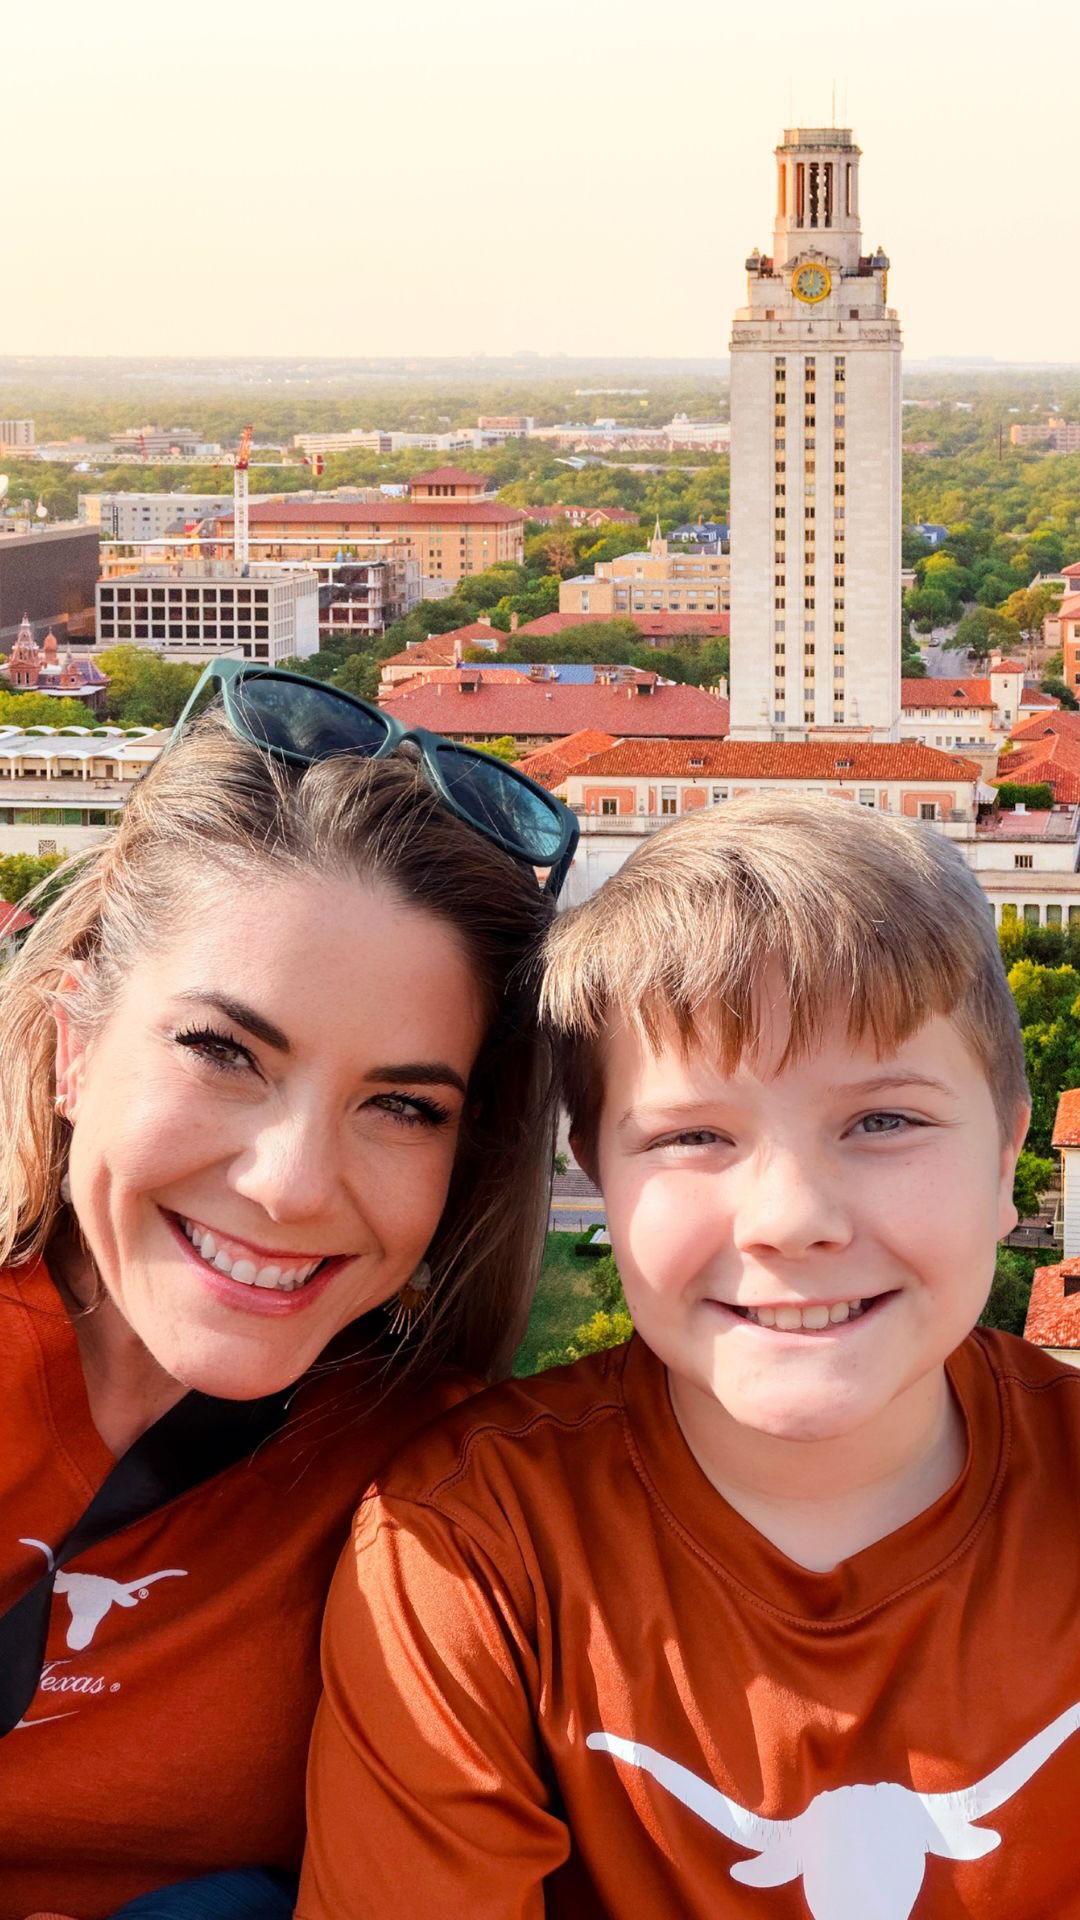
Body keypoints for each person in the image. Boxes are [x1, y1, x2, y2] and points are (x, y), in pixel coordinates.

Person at [299, 791, 1080, 1920]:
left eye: (884, 1121)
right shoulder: (472, 1549)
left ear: (1008, 1157)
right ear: (596, 1178)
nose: (791, 1217)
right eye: (693, 1137)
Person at [0, 659, 576, 1920]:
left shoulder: (456, 1502)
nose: (293, 1185)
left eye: (402, 1106)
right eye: (224, 1052)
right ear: (73, 1039)